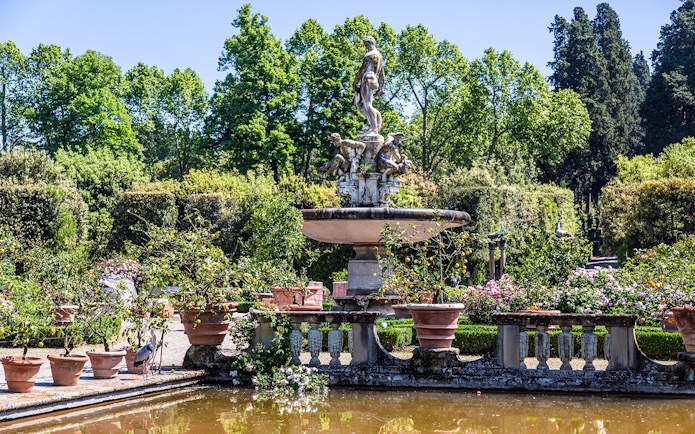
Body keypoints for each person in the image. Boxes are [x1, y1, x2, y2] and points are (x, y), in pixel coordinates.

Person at [353, 36, 385, 134]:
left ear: (372, 43)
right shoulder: (379, 56)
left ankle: (373, 127)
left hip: (367, 79)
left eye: (366, 45)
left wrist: (354, 83)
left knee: (367, 105)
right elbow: (382, 75)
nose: (365, 47)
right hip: (373, 80)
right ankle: (371, 123)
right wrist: (380, 88)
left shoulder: (369, 55)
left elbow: (361, 71)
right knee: (362, 103)